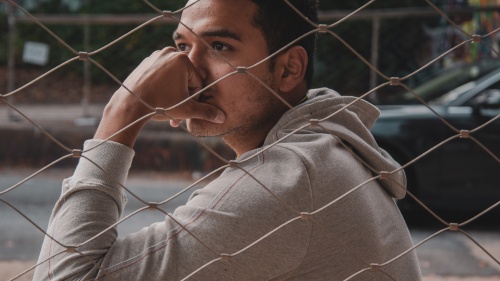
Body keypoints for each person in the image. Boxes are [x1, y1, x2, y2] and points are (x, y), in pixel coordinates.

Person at [34, 0, 422, 280]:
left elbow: (64, 275)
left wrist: (122, 112)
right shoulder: (322, 147)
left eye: (220, 46)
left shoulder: (284, 183)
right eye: (183, 46)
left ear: (289, 69)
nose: (189, 70)